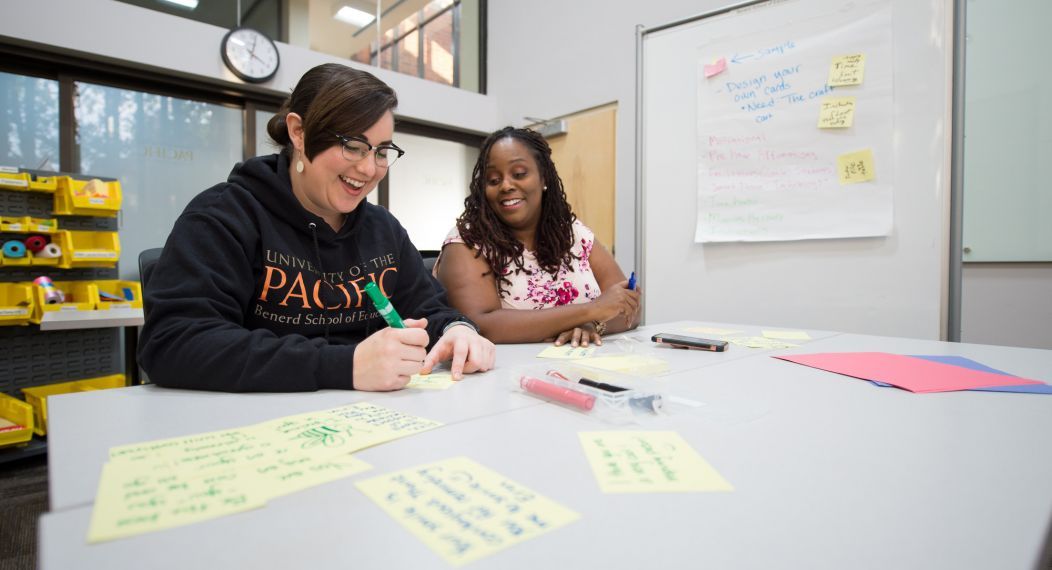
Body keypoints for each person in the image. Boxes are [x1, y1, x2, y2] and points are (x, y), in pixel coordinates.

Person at [138, 63, 495, 392]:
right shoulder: (225, 217)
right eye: (354, 146)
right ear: (298, 132)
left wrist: (456, 329)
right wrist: (344, 365)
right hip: (258, 428)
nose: (370, 169)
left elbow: (428, 309)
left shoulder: (383, 230)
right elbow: (173, 342)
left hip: (375, 419)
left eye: (382, 151)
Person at [434, 127, 640, 347]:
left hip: (581, 367)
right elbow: (480, 324)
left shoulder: (572, 233)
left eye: (519, 174)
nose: (506, 185)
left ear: (543, 177)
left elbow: (628, 306)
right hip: (504, 375)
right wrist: (591, 311)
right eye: (493, 180)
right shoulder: (466, 242)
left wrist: (591, 325)